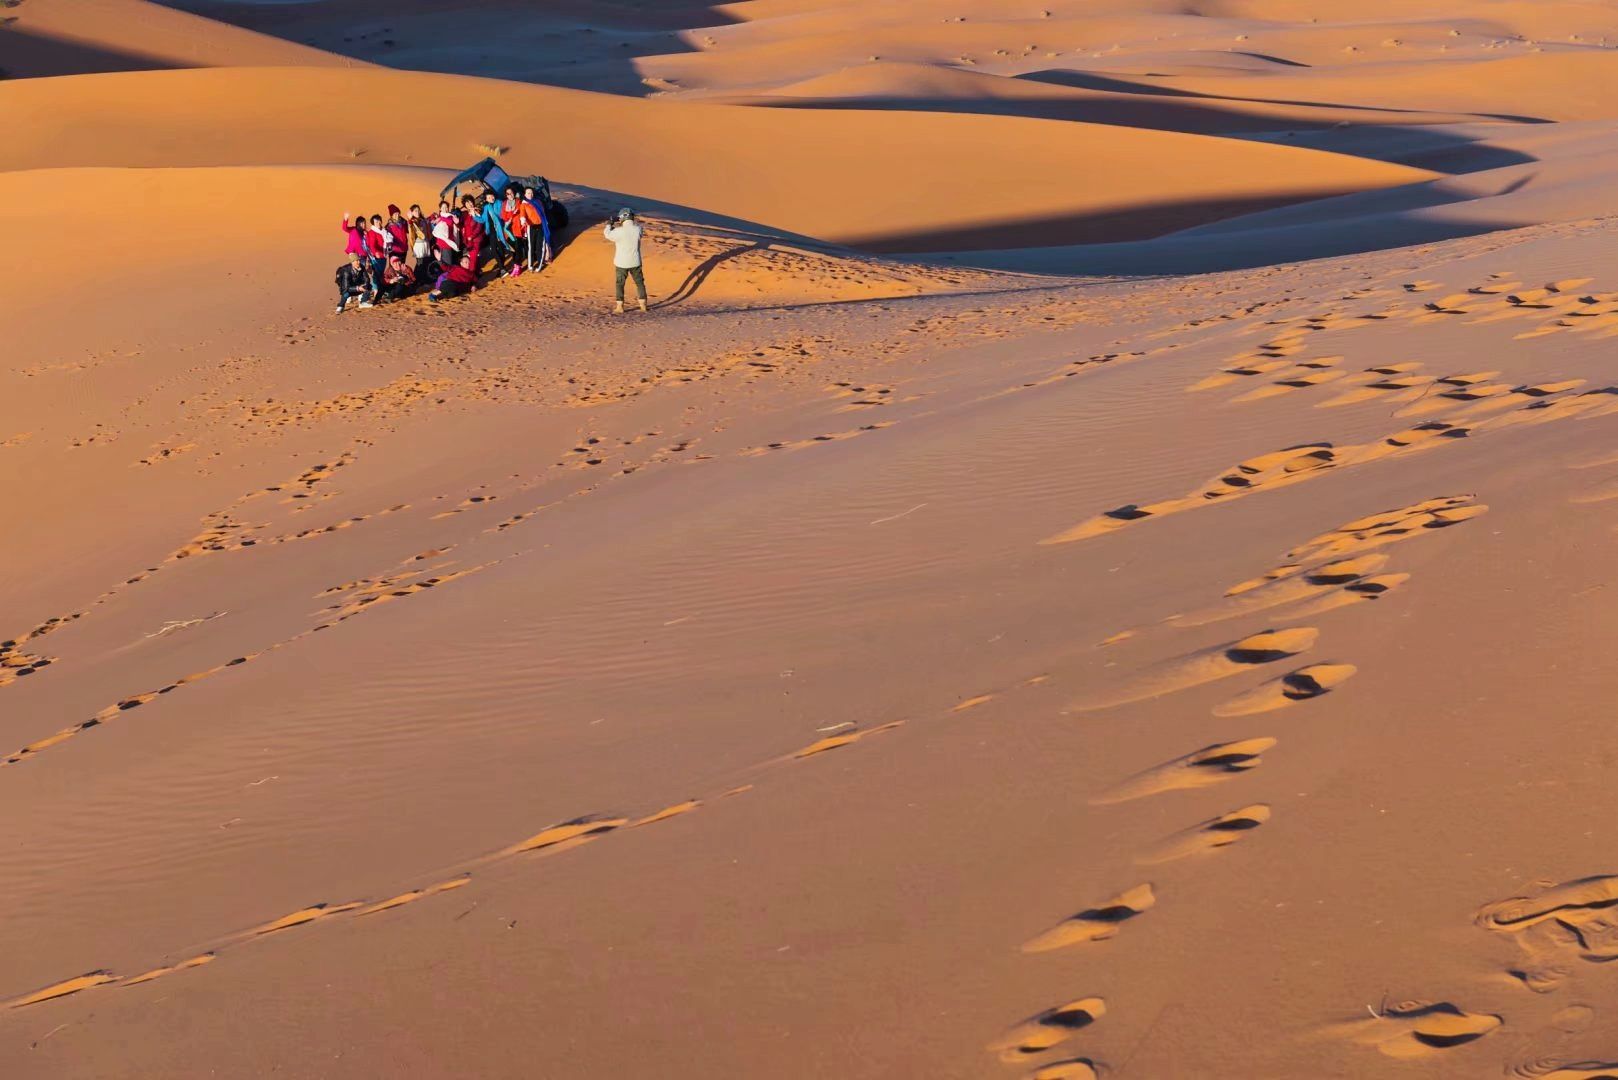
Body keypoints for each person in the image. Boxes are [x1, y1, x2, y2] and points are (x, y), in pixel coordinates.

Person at [603, 207, 647, 314]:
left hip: (621, 263)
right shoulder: (638, 229)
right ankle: (643, 306)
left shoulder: (618, 231)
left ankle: (620, 307)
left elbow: (607, 234)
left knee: (620, 284)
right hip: (635, 261)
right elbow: (635, 232)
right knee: (639, 283)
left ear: (622, 218)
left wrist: (609, 224)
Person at [476, 190, 512, 272]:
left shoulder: (499, 203)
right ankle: (502, 267)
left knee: (501, 249)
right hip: (492, 231)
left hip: (500, 230)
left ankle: (502, 267)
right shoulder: (486, 207)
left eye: (492, 196)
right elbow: (483, 219)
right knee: (494, 249)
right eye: (488, 197)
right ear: (486, 199)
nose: (491, 198)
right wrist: (475, 215)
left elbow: (502, 215)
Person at [521, 185, 552, 271]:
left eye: (531, 193)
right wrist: (523, 221)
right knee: (531, 247)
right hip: (531, 227)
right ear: (525, 194)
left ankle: (539, 264)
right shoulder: (524, 204)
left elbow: (542, 212)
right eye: (528, 193)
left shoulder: (538, 201)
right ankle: (530, 265)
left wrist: (545, 221)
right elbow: (522, 214)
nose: (530, 194)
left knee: (540, 246)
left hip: (541, 226)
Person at [365, 214, 389, 298]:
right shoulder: (372, 232)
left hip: (384, 255)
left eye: (379, 220)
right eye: (376, 221)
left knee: (381, 274)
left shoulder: (384, 231)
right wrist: (376, 253)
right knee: (376, 275)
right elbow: (372, 245)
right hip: (376, 257)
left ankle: (379, 290)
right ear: (373, 223)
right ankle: (375, 292)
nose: (378, 223)